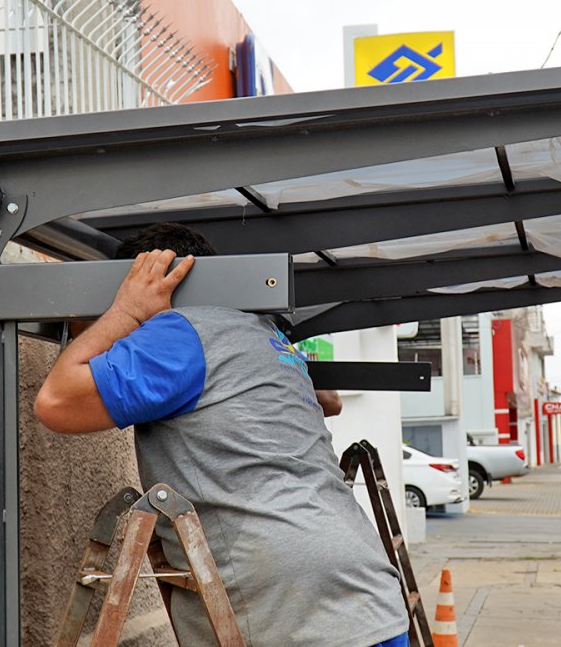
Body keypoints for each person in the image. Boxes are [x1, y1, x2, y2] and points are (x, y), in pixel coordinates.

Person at [34, 223, 408, 647]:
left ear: (155, 278)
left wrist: (127, 311)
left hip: (289, 606)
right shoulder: (264, 332)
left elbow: (55, 402)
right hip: (364, 587)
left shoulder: (178, 332)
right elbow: (328, 401)